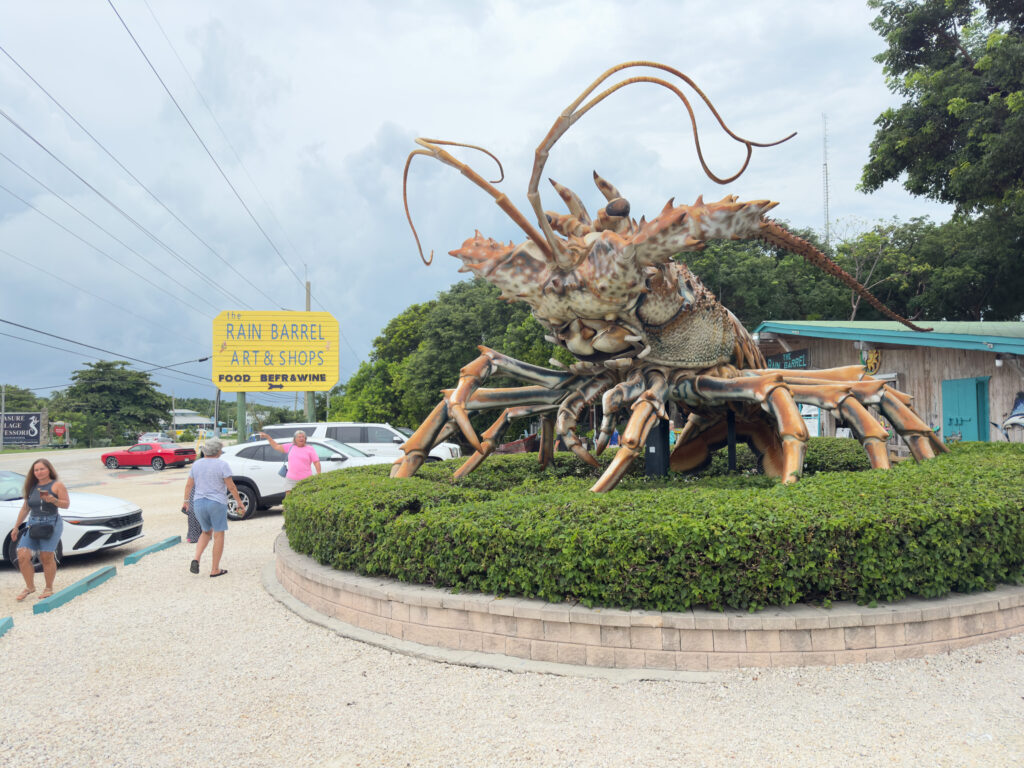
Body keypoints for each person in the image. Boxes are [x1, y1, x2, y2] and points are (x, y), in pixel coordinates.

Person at [181, 438, 244, 578]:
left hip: (198, 503)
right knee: (219, 534)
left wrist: (186, 501)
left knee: (205, 531)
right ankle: (215, 569)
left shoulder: (196, 465)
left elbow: (189, 485)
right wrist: (239, 502)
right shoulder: (222, 465)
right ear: (218, 451)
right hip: (216, 502)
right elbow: (231, 486)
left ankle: (196, 558)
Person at [11, 458, 69, 601]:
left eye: (42, 469)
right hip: (33, 523)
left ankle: (48, 587)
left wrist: (53, 500)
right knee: (22, 554)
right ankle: (30, 587)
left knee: (46, 556)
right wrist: (16, 527)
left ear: (49, 469)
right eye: (36, 470)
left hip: (52, 523)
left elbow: (66, 504)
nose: (39, 472)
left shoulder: (57, 485)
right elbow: (25, 508)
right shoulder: (32, 486)